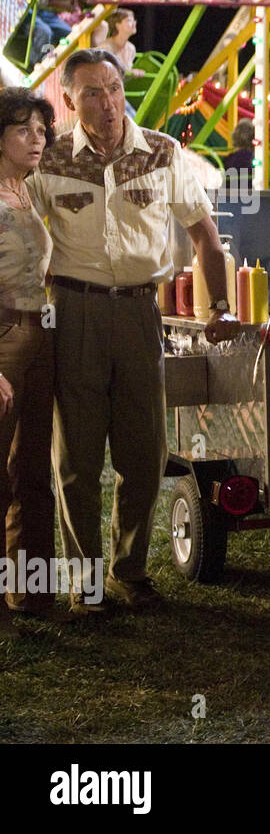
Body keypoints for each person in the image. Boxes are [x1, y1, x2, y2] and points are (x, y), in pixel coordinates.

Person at [28, 49, 240, 614]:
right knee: (75, 456)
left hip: (141, 312)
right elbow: (20, 233)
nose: (108, 102)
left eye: (115, 88)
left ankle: (131, 570)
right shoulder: (48, 161)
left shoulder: (163, 152)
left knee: (146, 452)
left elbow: (205, 237)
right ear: (69, 101)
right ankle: (87, 583)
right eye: (92, 93)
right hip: (72, 310)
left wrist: (218, 305)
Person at [0, 89, 59, 635]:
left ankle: (31, 588)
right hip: (4, 335)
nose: (36, 138)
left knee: (33, 467)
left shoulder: (28, 191)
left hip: (40, 334)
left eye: (42, 129)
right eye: (22, 129)